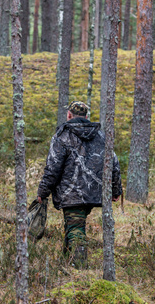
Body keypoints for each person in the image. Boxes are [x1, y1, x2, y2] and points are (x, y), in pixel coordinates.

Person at [37, 101, 123, 267]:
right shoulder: (101, 136)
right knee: (73, 225)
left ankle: (79, 269)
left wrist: (42, 192)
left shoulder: (62, 136)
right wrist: (115, 190)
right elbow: (114, 164)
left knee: (75, 229)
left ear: (69, 115)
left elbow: (52, 167)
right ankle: (67, 264)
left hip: (71, 193)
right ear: (86, 116)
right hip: (94, 192)